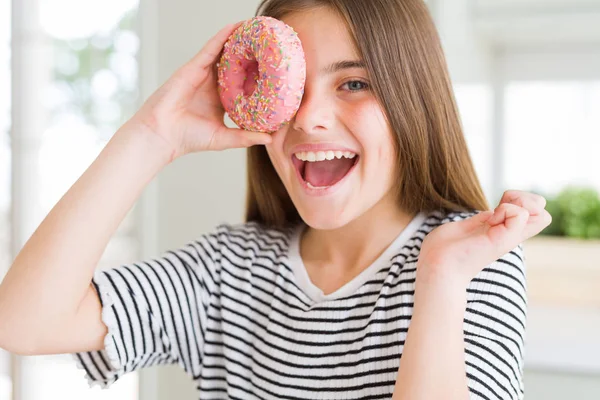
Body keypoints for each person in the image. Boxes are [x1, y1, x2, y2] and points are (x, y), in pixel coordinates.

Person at [0, 0, 551, 399]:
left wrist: (438, 280)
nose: (309, 118)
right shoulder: (228, 271)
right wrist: (151, 137)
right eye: (291, 88)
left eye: (353, 84)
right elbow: (26, 323)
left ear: (413, 98)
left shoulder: (469, 260)